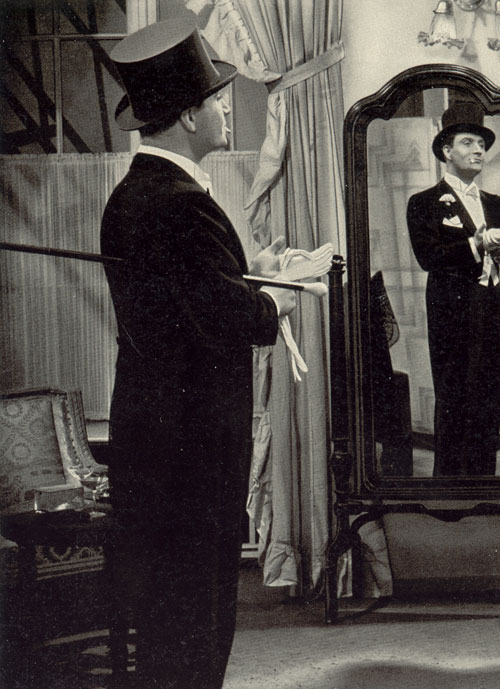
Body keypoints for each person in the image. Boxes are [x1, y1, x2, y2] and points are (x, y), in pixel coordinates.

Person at [100, 18, 297, 689]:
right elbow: (224, 317)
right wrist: (278, 300)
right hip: (192, 446)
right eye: (218, 102)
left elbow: (185, 300)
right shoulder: (180, 201)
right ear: (189, 116)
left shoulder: (137, 193)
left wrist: (247, 278)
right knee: (195, 616)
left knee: (171, 612)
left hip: (156, 438)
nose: (225, 112)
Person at [406, 102, 500, 476]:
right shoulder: (423, 203)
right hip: (450, 313)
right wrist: (475, 245)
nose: (478, 150)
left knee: (490, 394)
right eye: (468, 142)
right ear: (446, 151)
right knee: (453, 397)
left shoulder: (496, 204)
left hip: (492, 311)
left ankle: (485, 482)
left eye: (482, 144)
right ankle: (449, 488)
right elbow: (428, 257)